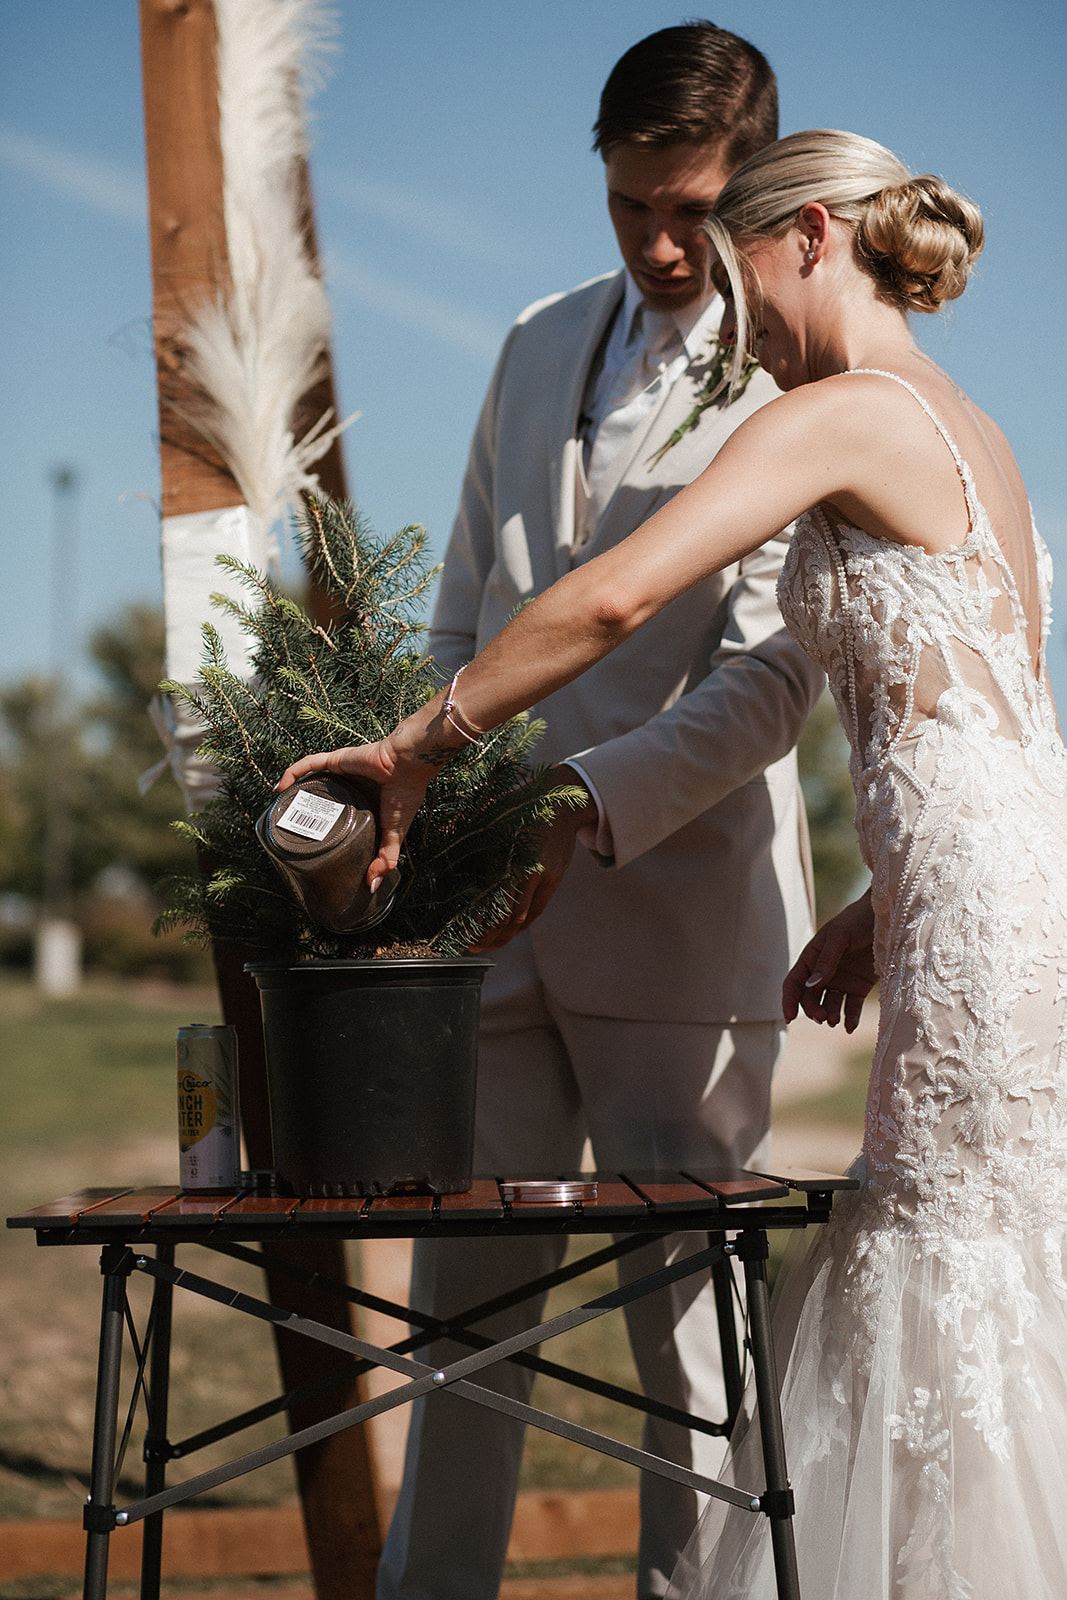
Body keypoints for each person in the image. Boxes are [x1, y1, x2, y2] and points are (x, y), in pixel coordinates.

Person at [283, 128, 1067, 1597]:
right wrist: (881, 903)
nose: (739, 321)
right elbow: (1002, 729)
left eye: (739, 275)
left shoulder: (844, 410)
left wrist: (417, 749)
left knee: (948, 1268)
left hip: (975, 911)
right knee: (991, 1262)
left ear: (813, 238)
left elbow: (616, 598)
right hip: (1003, 896)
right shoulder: (978, 429)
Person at [354, 22, 822, 1600]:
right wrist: (446, 811)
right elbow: (461, 626)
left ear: (755, 181)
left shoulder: (800, 375)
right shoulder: (533, 336)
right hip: (490, 935)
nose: (661, 242)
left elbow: (772, 682)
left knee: (691, 1374)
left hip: (683, 933)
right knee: (453, 1344)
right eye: (631, 206)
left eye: (691, 208)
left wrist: (580, 807)